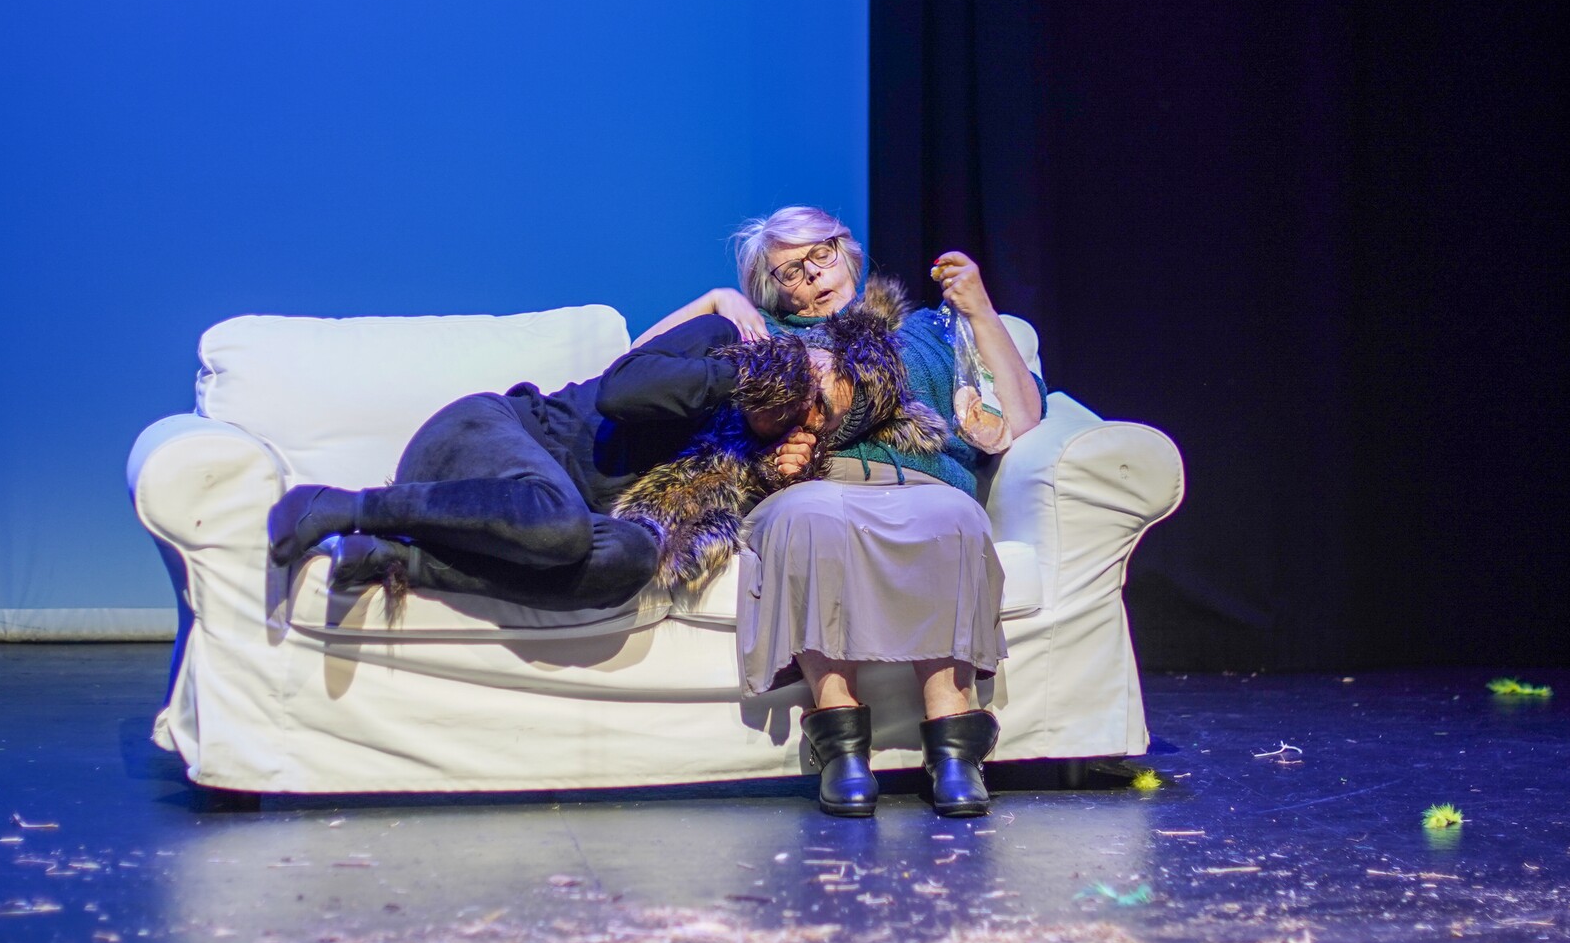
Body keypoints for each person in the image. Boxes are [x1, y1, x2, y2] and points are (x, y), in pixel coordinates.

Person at [730, 206, 1045, 818]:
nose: (812, 275)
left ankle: (953, 745)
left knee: (952, 519)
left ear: (846, 252)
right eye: (790, 271)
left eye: (820, 255)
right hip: (819, 485)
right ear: (773, 290)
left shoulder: (928, 329)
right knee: (810, 519)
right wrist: (721, 300)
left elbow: (1024, 417)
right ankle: (842, 743)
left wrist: (979, 309)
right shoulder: (765, 338)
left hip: (924, 481)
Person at [264, 289, 827, 612]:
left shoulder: (744, 460)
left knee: (630, 555)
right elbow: (620, 390)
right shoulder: (721, 343)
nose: (801, 403)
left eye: (814, 408)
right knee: (558, 519)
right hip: (481, 436)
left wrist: (777, 472)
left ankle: (391, 559)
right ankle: (345, 505)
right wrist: (744, 377)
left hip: (540, 521)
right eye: (802, 382)